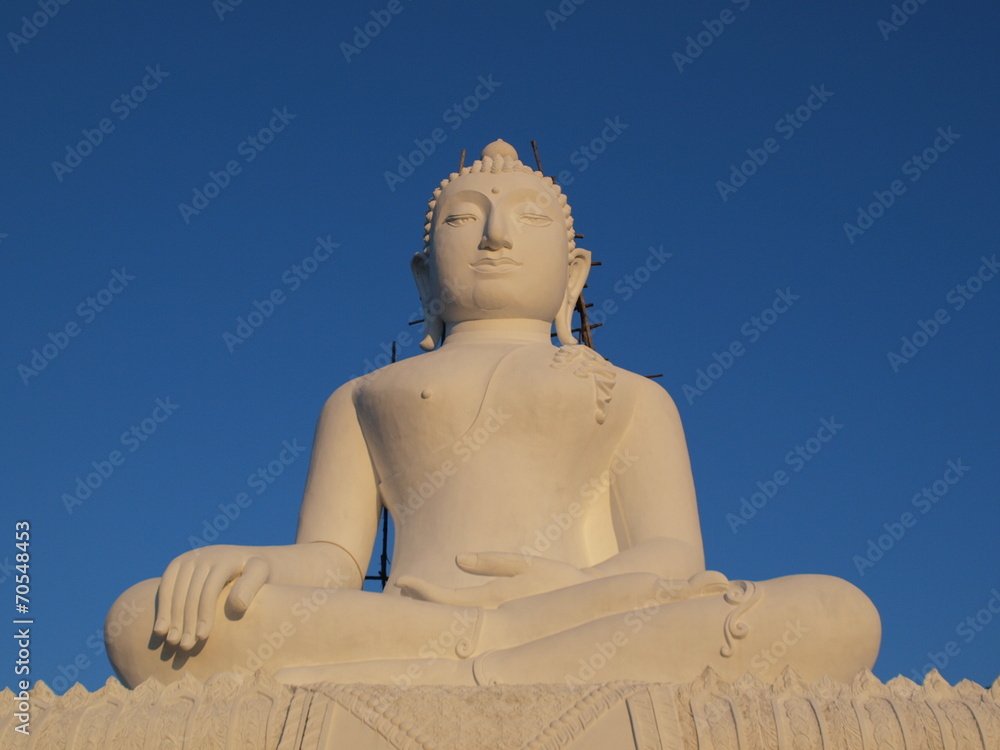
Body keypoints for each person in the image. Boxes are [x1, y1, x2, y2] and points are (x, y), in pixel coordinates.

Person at [106, 140, 880, 687]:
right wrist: (256, 565)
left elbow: (673, 556)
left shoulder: (632, 396)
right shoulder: (364, 397)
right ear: (423, 277)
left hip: (579, 614)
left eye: (529, 218)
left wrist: (566, 587)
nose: (496, 235)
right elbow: (334, 562)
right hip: (413, 622)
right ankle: (489, 656)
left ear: (573, 275)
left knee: (839, 615)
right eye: (463, 219)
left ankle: (479, 660)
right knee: (145, 617)